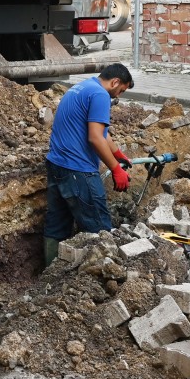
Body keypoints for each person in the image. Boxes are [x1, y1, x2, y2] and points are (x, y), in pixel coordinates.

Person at [43, 63, 135, 266]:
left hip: (56, 165)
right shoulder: (101, 95)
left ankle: (48, 277)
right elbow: (95, 138)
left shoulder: (81, 88)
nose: (117, 96)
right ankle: (102, 278)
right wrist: (115, 169)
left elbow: (102, 133)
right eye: (120, 91)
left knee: (57, 225)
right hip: (79, 171)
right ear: (115, 82)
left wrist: (118, 154)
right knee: (99, 228)